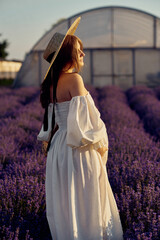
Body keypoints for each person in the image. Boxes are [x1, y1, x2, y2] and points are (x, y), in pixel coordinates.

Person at [37, 17, 123, 240]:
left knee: (66, 202)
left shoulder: (51, 84)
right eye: (79, 50)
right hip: (78, 149)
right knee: (86, 201)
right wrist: (102, 143)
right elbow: (88, 126)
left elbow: (49, 125)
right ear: (68, 55)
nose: (83, 54)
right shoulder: (75, 80)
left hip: (59, 149)